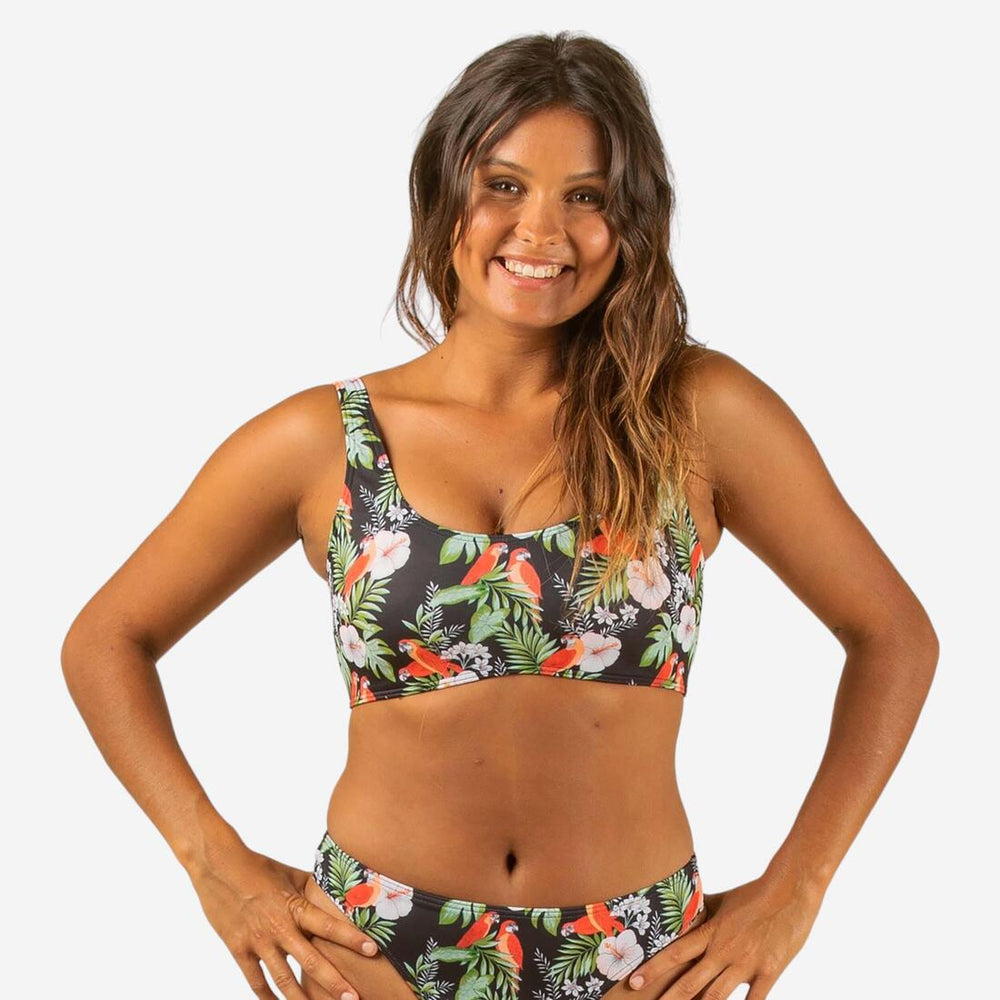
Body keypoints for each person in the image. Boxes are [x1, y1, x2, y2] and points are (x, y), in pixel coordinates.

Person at [61, 30, 938, 1000]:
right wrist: (213, 863)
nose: (542, 232)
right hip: (374, 950)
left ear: (633, 220)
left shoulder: (696, 414)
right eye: (504, 186)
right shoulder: (323, 438)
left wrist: (797, 888)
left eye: (587, 196)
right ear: (443, 195)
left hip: (634, 956)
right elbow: (107, 639)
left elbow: (892, 633)